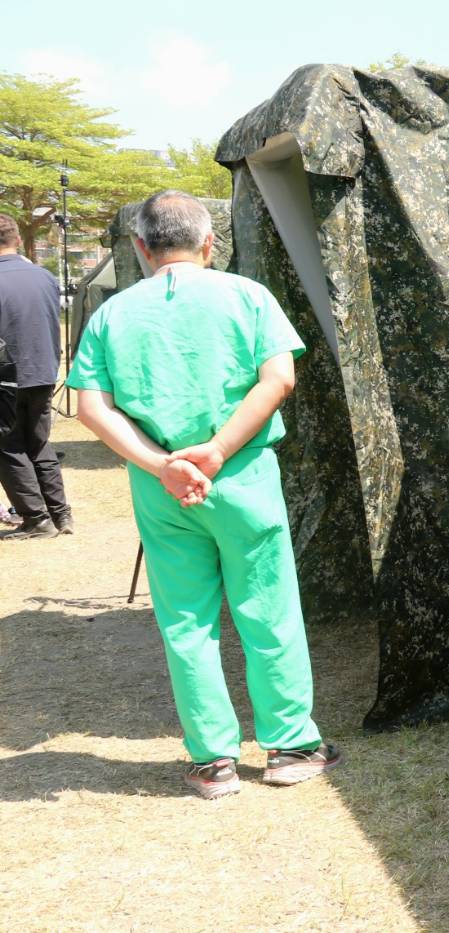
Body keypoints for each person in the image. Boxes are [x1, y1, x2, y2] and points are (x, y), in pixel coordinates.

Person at [68, 190, 341, 799]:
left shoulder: (112, 314)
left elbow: (91, 407)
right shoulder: (248, 296)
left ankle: (212, 761)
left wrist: (161, 465)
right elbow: (279, 378)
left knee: (186, 622)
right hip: (242, 477)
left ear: (140, 247)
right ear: (210, 242)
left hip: (162, 489)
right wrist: (216, 450)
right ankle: (292, 747)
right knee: (268, 610)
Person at [0, 213, 73, 540]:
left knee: (9, 447)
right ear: (17, 239)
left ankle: (37, 519)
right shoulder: (45, 276)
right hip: (43, 371)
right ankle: (61, 514)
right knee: (39, 443)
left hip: (7, 377)